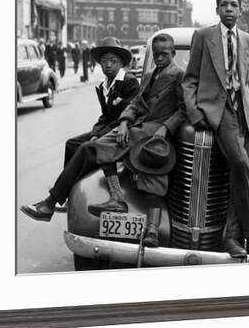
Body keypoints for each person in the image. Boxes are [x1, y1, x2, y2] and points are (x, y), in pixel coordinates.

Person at [21, 34, 186, 247]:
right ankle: (65, 202)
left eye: (165, 54)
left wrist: (165, 128)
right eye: (156, 54)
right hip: (134, 130)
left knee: (91, 149)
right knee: (90, 147)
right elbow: (135, 104)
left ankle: (51, 203)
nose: (160, 58)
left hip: (152, 135)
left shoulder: (179, 75)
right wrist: (125, 122)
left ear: (173, 54)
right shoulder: (152, 74)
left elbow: (183, 110)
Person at [182, 0, 249, 260]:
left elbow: (247, 81)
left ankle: (230, 237)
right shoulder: (204, 36)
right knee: (241, 164)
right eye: (224, 4)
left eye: (234, 5)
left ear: (240, 9)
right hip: (219, 111)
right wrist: (196, 114)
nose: (229, 9)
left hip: (244, 114)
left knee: (241, 173)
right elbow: (190, 79)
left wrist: (248, 110)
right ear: (217, 8)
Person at [63, 37, 139, 166]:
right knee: (71, 144)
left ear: (121, 63)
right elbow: (105, 116)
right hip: (106, 130)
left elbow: (123, 118)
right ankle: (70, 182)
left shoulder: (129, 82)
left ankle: (68, 183)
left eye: (113, 61)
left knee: (85, 148)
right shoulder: (103, 85)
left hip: (121, 132)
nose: (108, 65)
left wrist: (98, 136)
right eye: (104, 61)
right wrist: (95, 133)